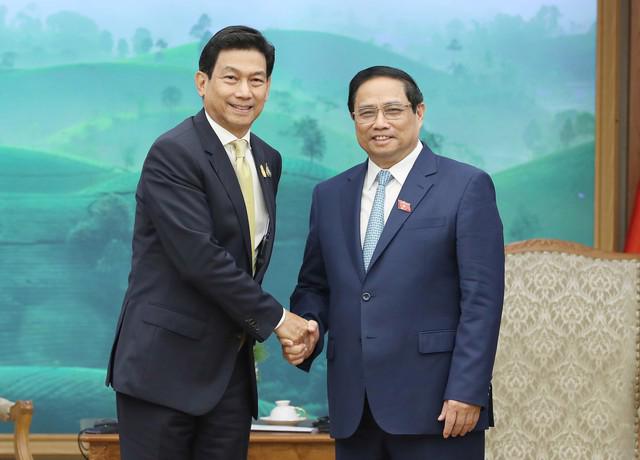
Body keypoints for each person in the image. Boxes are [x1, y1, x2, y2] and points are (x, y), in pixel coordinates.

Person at [106, 25, 315, 460]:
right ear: (202, 83)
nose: (245, 91)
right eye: (231, 77)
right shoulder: (174, 152)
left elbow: (248, 258)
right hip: (163, 371)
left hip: (229, 376)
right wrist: (280, 320)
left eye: (256, 80)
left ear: (268, 87)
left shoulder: (267, 160)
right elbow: (199, 258)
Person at [283, 65, 504, 459]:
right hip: (355, 409)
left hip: (438, 407)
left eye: (393, 110)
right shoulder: (330, 195)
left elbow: (482, 301)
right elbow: (316, 285)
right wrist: (310, 324)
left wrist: (467, 390)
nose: (379, 123)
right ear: (353, 119)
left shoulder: (466, 186)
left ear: (419, 113)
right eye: (366, 113)